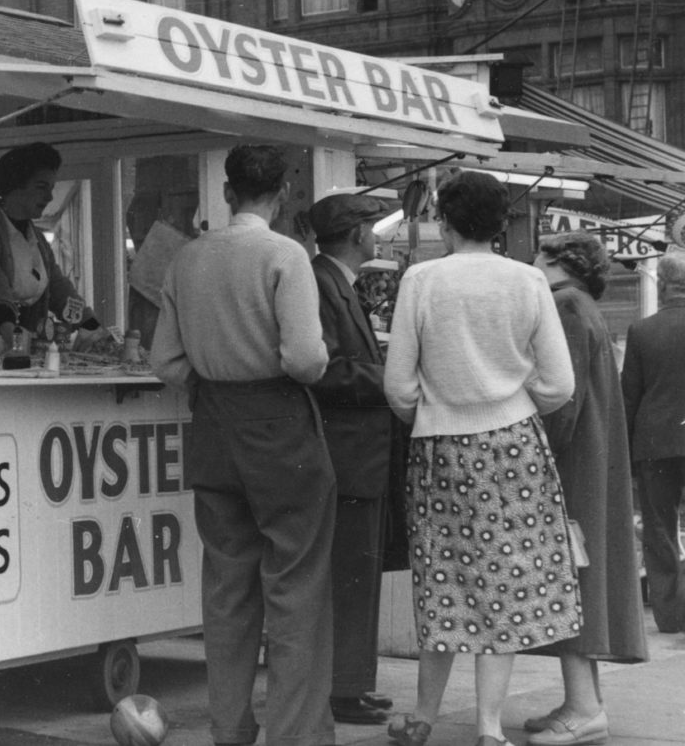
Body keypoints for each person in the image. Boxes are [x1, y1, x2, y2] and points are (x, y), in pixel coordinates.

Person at [381, 171, 579, 746]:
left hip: (438, 447)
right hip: (514, 446)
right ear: (501, 224)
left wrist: (433, 410)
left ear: (443, 220)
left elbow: (398, 385)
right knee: (508, 581)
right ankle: (489, 726)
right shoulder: (528, 281)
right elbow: (559, 383)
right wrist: (514, 402)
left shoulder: (421, 280)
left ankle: (423, 716)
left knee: (441, 577)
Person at [148, 143, 334, 746]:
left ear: (227, 193)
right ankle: (295, 734)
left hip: (215, 427)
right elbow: (305, 359)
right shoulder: (286, 255)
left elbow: (164, 359)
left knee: (227, 587)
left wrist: (209, 379)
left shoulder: (186, 259)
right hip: (280, 427)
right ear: (283, 195)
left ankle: (229, 728)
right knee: (295, 587)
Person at [521, 231, 648, 746]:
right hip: (591, 463)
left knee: (567, 579)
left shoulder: (565, 307)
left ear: (558, 262)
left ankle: (582, 706)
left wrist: (535, 456)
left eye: (539, 253)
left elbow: (561, 400)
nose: (530, 259)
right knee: (577, 577)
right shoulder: (582, 305)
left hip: (572, 467)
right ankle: (583, 701)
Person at [305, 193, 398, 726]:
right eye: (370, 226)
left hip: (356, 451)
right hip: (348, 452)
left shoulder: (333, 281)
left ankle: (353, 683)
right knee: (350, 574)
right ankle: (344, 687)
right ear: (355, 233)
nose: (376, 234)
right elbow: (326, 369)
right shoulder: (323, 284)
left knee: (356, 572)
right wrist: (390, 377)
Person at [0, 141, 101, 354]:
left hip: (24, 356)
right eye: (41, 187)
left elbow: (60, 291)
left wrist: (92, 328)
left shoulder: (39, 240)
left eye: (51, 188)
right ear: (15, 185)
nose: (50, 197)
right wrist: (15, 338)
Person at [622, 250, 685, 638]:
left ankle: (671, 616)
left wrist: (626, 455)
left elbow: (630, 396)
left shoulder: (642, 331)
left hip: (655, 443)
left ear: (662, 284)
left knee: (660, 530)